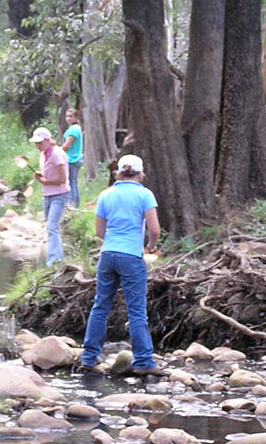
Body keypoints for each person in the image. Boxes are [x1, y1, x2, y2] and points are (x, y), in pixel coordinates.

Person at [81, 154, 163, 376]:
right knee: (136, 311)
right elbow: (154, 230)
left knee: (100, 306)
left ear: (118, 172)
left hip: (107, 255)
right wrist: (151, 246)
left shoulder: (106, 194)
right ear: (140, 173)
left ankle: (89, 357)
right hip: (131, 257)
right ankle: (144, 361)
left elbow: (99, 232)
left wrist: (113, 241)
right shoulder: (144, 194)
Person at [29, 127, 70, 267]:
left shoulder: (57, 154)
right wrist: (42, 175)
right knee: (50, 227)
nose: (38, 146)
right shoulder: (43, 154)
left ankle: (54, 261)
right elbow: (50, 173)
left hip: (59, 194)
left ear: (48, 140)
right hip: (47, 194)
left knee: (52, 226)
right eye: (36, 143)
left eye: (40, 142)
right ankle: (55, 257)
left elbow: (62, 179)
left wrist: (45, 181)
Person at [61, 108, 83, 209]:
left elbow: (66, 146)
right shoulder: (74, 128)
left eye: (71, 116)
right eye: (67, 116)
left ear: (76, 117)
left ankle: (72, 205)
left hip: (72, 159)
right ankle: (74, 204)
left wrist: (56, 152)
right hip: (74, 158)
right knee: (73, 182)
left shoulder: (74, 129)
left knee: (71, 182)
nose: (68, 118)